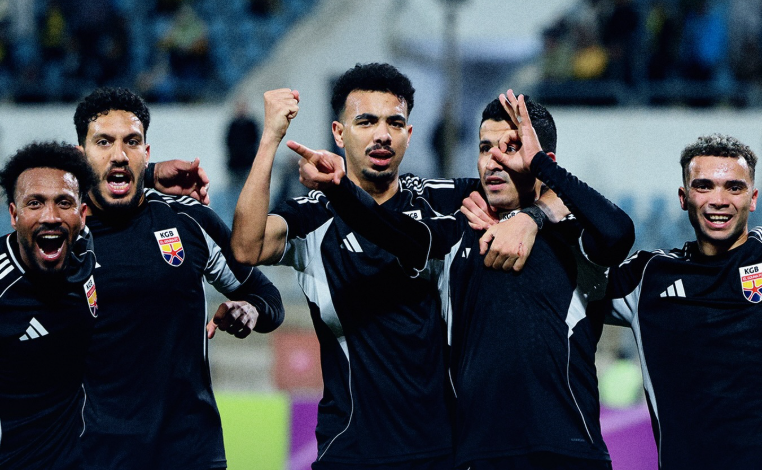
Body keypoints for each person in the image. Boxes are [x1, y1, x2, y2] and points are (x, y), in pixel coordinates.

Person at [295, 91, 635, 470]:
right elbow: (389, 229)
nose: (493, 161)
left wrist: (535, 208)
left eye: (511, 148)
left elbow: (619, 232)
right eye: (485, 148)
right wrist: (339, 187)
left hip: (570, 452)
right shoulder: (459, 230)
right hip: (479, 455)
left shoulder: (575, 238)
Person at [231, 63, 485, 469]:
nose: (382, 134)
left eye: (394, 123)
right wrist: (270, 138)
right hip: (348, 452)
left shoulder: (440, 201)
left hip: (440, 451)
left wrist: (530, 219)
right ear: (339, 133)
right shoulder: (313, 215)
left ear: (409, 134)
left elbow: (526, 189)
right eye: (366, 121)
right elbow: (246, 247)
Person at [73, 87, 285, 470]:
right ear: (80, 155)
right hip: (95, 455)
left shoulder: (189, 220)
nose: (119, 154)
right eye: (103, 142)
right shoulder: (62, 237)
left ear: (146, 152)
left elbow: (267, 297)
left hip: (191, 452)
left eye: (131, 142)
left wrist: (251, 310)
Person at [593, 133, 762, 469]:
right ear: (684, 198)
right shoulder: (649, 276)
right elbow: (567, 280)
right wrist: (534, 214)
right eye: (704, 186)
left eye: (734, 187)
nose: (719, 200)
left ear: (752, 198)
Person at [0, 141, 97, 469]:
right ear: (14, 215)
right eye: (35, 203)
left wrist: (152, 173)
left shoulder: (86, 253)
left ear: (82, 215)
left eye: (64, 202)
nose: (51, 216)